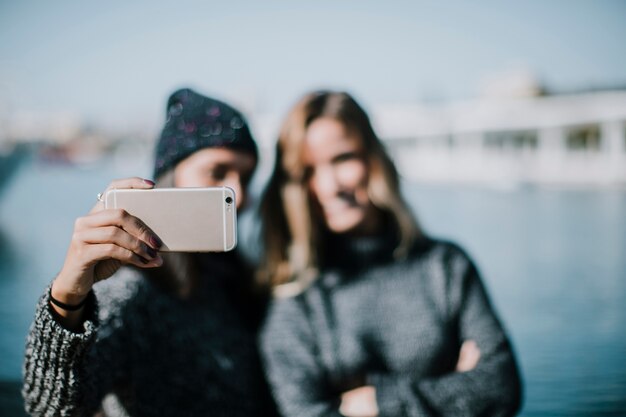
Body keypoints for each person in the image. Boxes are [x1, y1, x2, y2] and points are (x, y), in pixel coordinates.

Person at [258, 90, 522, 417]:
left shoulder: (445, 267)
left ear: (375, 157)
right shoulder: (295, 296)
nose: (329, 186)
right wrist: (452, 392)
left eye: (342, 158)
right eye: (308, 171)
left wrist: (375, 404)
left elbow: (501, 388)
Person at [22, 88, 277, 417]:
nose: (238, 194)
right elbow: (48, 409)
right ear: (169, 177)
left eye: (246, 177)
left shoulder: (231, 276)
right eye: (218, 172)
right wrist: (68, 294)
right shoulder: (132, 293)